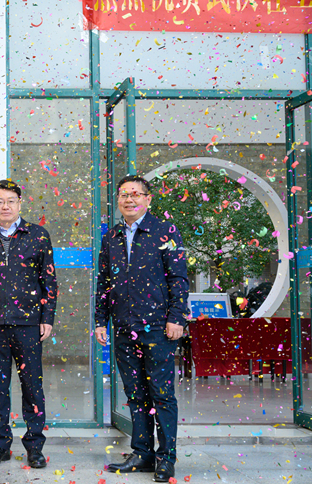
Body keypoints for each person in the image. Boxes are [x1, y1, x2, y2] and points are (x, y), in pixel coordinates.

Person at [95, 175, 189, 483]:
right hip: (124, 326)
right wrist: (100, 320)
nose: (129, 199)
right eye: (124, 194)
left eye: (136, 194)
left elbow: (178, 278)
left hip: (159, 327)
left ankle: (166, 458)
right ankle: (142, 453)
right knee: (135, 395)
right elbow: (104, 282)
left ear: (148, 199)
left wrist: (177, 318)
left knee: (162, 394)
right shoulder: (111, 237)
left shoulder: (165, 231)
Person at [0, 179, 57, 469]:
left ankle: (34, 446)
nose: (6, 206)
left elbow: (49, 281)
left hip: (28, 324)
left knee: (32, 387)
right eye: (0, 201)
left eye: (11, 201)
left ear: (19, 203)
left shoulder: (38, 235)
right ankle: (0, 445)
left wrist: (47, 318)